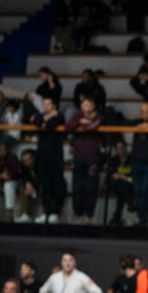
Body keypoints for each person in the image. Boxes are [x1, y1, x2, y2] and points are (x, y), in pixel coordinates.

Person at [65, 96, 104, 224]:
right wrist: (80, 122)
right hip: (79, 156)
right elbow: (68, 126)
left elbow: (93, 125)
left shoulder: (98, 117)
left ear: (93, 105)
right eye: (84, 105)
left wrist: (83, 124)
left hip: (93, 157)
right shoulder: (77, 116)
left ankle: (88, 214)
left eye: (88, 105)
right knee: (77, 186)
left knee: (90, 187)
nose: (86, 108)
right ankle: (78, 213)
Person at [28, 97, 65, 224]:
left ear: (54, 106)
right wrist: (45, 119)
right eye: (44, 104)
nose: (46, 106)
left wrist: (45, 122)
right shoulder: (42, 115)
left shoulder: (59, 116)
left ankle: (54, 213)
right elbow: (35, 121)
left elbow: (49, 126)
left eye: (48, 104)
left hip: (54, 156)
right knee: (44, 184)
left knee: (55, 184)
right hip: (42, 155)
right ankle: (46, 211)